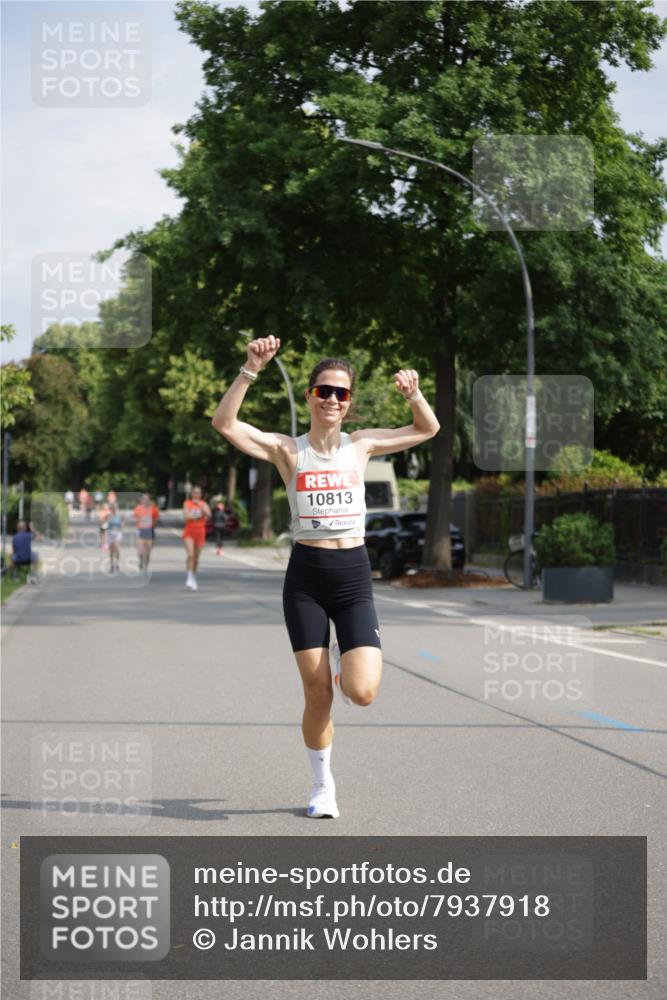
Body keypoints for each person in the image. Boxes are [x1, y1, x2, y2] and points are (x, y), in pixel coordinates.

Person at [212, 336, 439, 819]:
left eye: (342, 393)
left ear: (350, 402)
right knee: (318, 693)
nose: (332, 399)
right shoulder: (286, 450)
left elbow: (428, 428)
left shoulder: (363, 446)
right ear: (312, 396)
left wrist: (413, 393)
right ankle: (322, 786)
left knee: (361, 693)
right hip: (307, 580)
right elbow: (225, 423)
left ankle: (345, 654)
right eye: (323, 391)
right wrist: (251, 368)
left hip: (354, 576)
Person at [182, 486, 211, 590]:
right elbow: (185, 518)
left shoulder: (203, 504)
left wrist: (202, 508)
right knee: (190, 554)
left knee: (196, 558)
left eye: (198, 493)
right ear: (191, 494)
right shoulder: (187, 503)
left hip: (200, 532)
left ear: (200, 494)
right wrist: (195, 516)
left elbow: (209, 515)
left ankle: (193, 576)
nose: (196, 495)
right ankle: (189, 577)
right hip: (189, 531)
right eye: (194, 493)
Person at [132, 493, 159, 572]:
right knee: (140, 550)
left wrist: (152, 523)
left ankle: (146, 566)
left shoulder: (154, 509)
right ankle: (141, 560)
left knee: (148, 551)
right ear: (142, 500)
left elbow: (156, 519)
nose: (145, 501)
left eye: (147, 499)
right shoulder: (138, 508)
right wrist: (139, 520)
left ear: (149, 500)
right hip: (140, 530)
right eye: (144, 499)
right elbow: (135, 518)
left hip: (150, 531)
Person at [107, 503, 123, 573]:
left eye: (114, 508)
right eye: (112, 508)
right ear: (110, 509)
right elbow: (105, 524)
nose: (113, 509)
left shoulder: (119, 516)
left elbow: (122, 524)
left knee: (117, 549)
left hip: (117, 534)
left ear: (116, 509)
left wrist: (121, 526)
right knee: (111, 551)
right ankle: (111, 566)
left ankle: (117, 564)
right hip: (110, 534)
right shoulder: (108, 516)